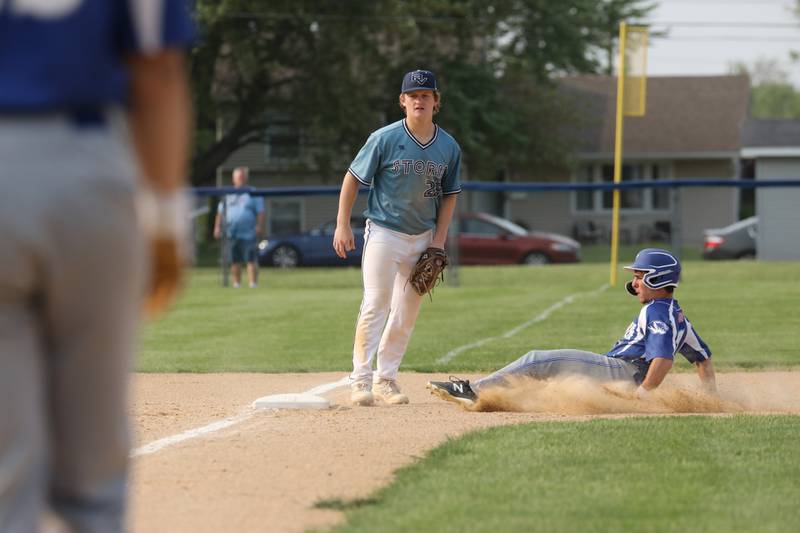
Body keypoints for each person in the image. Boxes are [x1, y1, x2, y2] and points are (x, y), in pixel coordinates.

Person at [0, 2, 193, 532]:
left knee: (4, 472)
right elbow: (158, 68)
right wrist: (166, 220)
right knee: (93, 476)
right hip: (86, 168)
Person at [428, 248, 717, 407]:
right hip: (622, 373)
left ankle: (473, 391)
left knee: (539, 359)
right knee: (551, 377)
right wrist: (710, 398)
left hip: (620, 370)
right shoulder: (677, 316)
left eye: (641, 276)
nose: (635, 282)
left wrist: (645, 392)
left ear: (657, 280)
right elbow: (702, 358)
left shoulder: (657, 312)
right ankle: (499, 399)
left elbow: (663, 358)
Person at [333, 69, 462, 406]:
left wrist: (439, 240)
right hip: (384, 232)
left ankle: (386, 380)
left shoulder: (448, 147)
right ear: (403, 101)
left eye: (426, 95)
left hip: (423, 237)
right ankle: (361, 380)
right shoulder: (384, 138)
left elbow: (450, 195)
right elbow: (352, 178)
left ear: (436, 102)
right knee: (376, 302)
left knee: (406, 312)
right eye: (413, 95)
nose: (420, 100)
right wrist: (342, 224)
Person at [214, 166, 265, 288]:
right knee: (234, 260)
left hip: (249, 232)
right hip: (231, 231)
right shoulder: (228, 194)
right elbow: (220, 212)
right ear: (233, 179)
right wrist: (217, 227)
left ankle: (253, 284)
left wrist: (259, 225)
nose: (240, 179)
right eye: (237, 177)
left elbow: (261, 212)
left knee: (251, 259)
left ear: (246, 178)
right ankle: (237, 284)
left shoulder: (253, 192)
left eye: (242, 177)